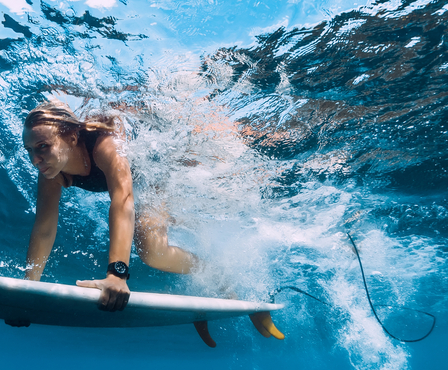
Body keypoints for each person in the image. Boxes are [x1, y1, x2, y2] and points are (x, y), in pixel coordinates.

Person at [21, 100, 283, 339]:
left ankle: (222, 279)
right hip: (143, 178)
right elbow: (44, 227)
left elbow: (122, 201)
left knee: (151, 251)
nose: (35, 160)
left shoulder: (105, 146)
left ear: (73, 136)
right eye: (30, 150)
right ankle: (221, 282)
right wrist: (29, 288)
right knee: (156, 244)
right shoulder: (50, 171)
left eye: (43, 147)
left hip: (162, 166)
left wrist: (117, 275)